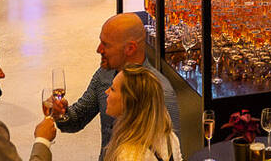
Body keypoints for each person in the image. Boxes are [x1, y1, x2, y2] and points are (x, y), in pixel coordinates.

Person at [51, 14, 179, 157]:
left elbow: (170, 152)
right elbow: (77, 119)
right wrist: (62, 114)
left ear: (130, 48)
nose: (98, 49)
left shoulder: (161, 92)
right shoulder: (104, 74)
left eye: (106, 44)